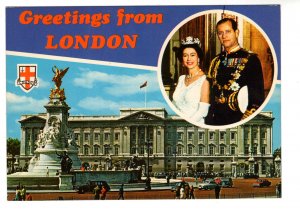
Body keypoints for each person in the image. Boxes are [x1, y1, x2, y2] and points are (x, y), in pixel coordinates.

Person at [206, 18, 264, 125]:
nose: (224, 36)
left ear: (236, 32)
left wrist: (243, 122)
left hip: (237, 119)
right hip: (215, 119)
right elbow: (210, 95)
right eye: (220, 33)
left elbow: (256, 99)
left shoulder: (250, 59)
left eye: (228, 31)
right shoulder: (216, 61)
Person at [172, 36, 210, 124]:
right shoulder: (181, 79)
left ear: (198, 58)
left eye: (192, 55)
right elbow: (174, 103)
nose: (189, 59)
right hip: (176, 123)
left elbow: (203, 111)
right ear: (182, 59)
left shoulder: (205, 80)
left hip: (194, 125)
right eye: (185, 55)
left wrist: (185, 124)